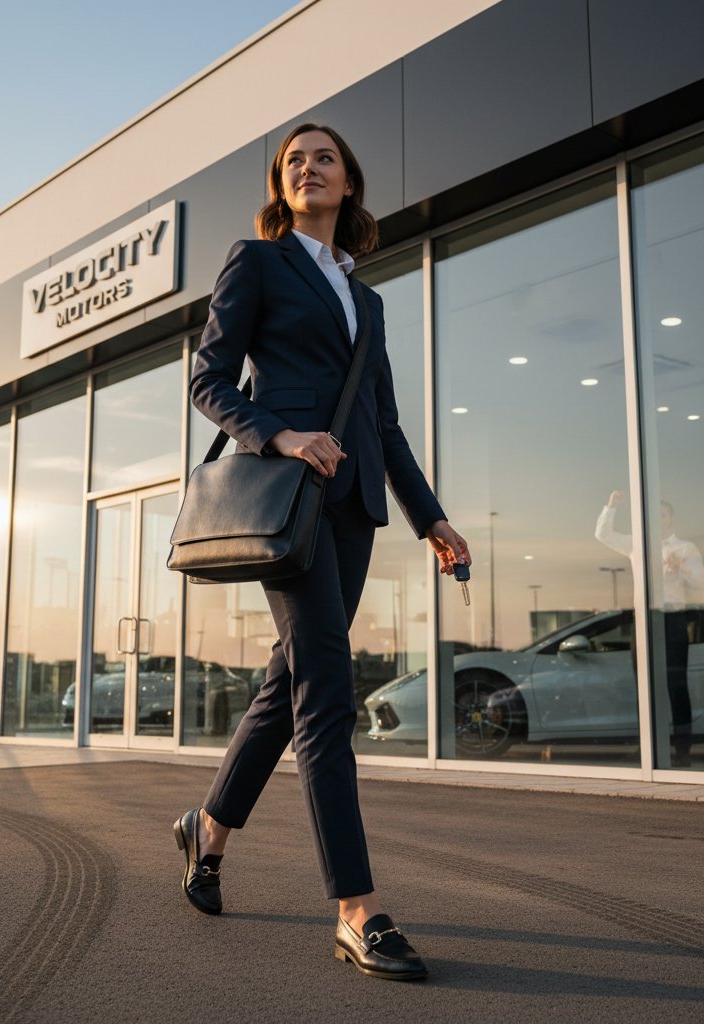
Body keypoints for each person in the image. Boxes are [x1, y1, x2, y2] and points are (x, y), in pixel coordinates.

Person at [173, 123, 471, 981]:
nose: (309, 167)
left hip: (353, 510)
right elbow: (208, 379)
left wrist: (431, 518)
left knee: (290, 683)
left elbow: (385, 423)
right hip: (289, 500)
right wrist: (280, 434)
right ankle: (356, 909)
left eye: (324, 158)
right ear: (282, 185)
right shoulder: (258, 262)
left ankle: (207, 829)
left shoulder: (365, 300)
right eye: (294, 160)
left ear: (349, 183)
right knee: (328, 695)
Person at [595, 491, 704, 766]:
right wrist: (611, 506)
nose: (658, 519)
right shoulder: (637, 544)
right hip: (644, 621)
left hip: (673, 620)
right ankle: (648, 750)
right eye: (653, 515)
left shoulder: (686, 548)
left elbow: (701, 585)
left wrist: (682, 567)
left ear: (671, 518)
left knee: (676, 685)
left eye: (663, 514)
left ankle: (683, 753)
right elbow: (603, 534)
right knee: (644, 685)